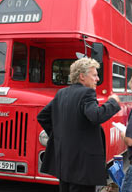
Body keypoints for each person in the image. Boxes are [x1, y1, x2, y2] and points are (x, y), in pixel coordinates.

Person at [37, 57, 121, 192]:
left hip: (64, 163)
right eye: (94, 75)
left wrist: (58, 137)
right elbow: (96, 116)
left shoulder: (62, 93)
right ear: (82, 76)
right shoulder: (87, 93)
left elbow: (43, 116)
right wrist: (113, 103)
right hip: (83, 168)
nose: (97, 79)